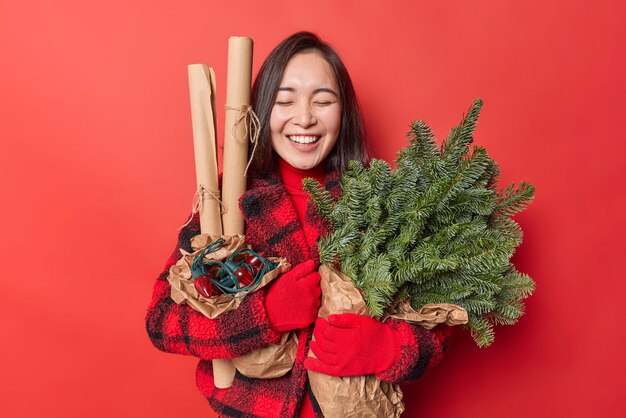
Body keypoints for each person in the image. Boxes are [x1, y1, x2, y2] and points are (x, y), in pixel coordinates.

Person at [145, 31, 450, 418]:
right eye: (284, 101)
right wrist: (263, 314)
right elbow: (162, 322)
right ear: (259, 110)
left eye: (323, 101)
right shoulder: (225, 203)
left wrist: (387, 347)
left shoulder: (382, 198)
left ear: (344, 112)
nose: (304, 118)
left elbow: (439, 327)